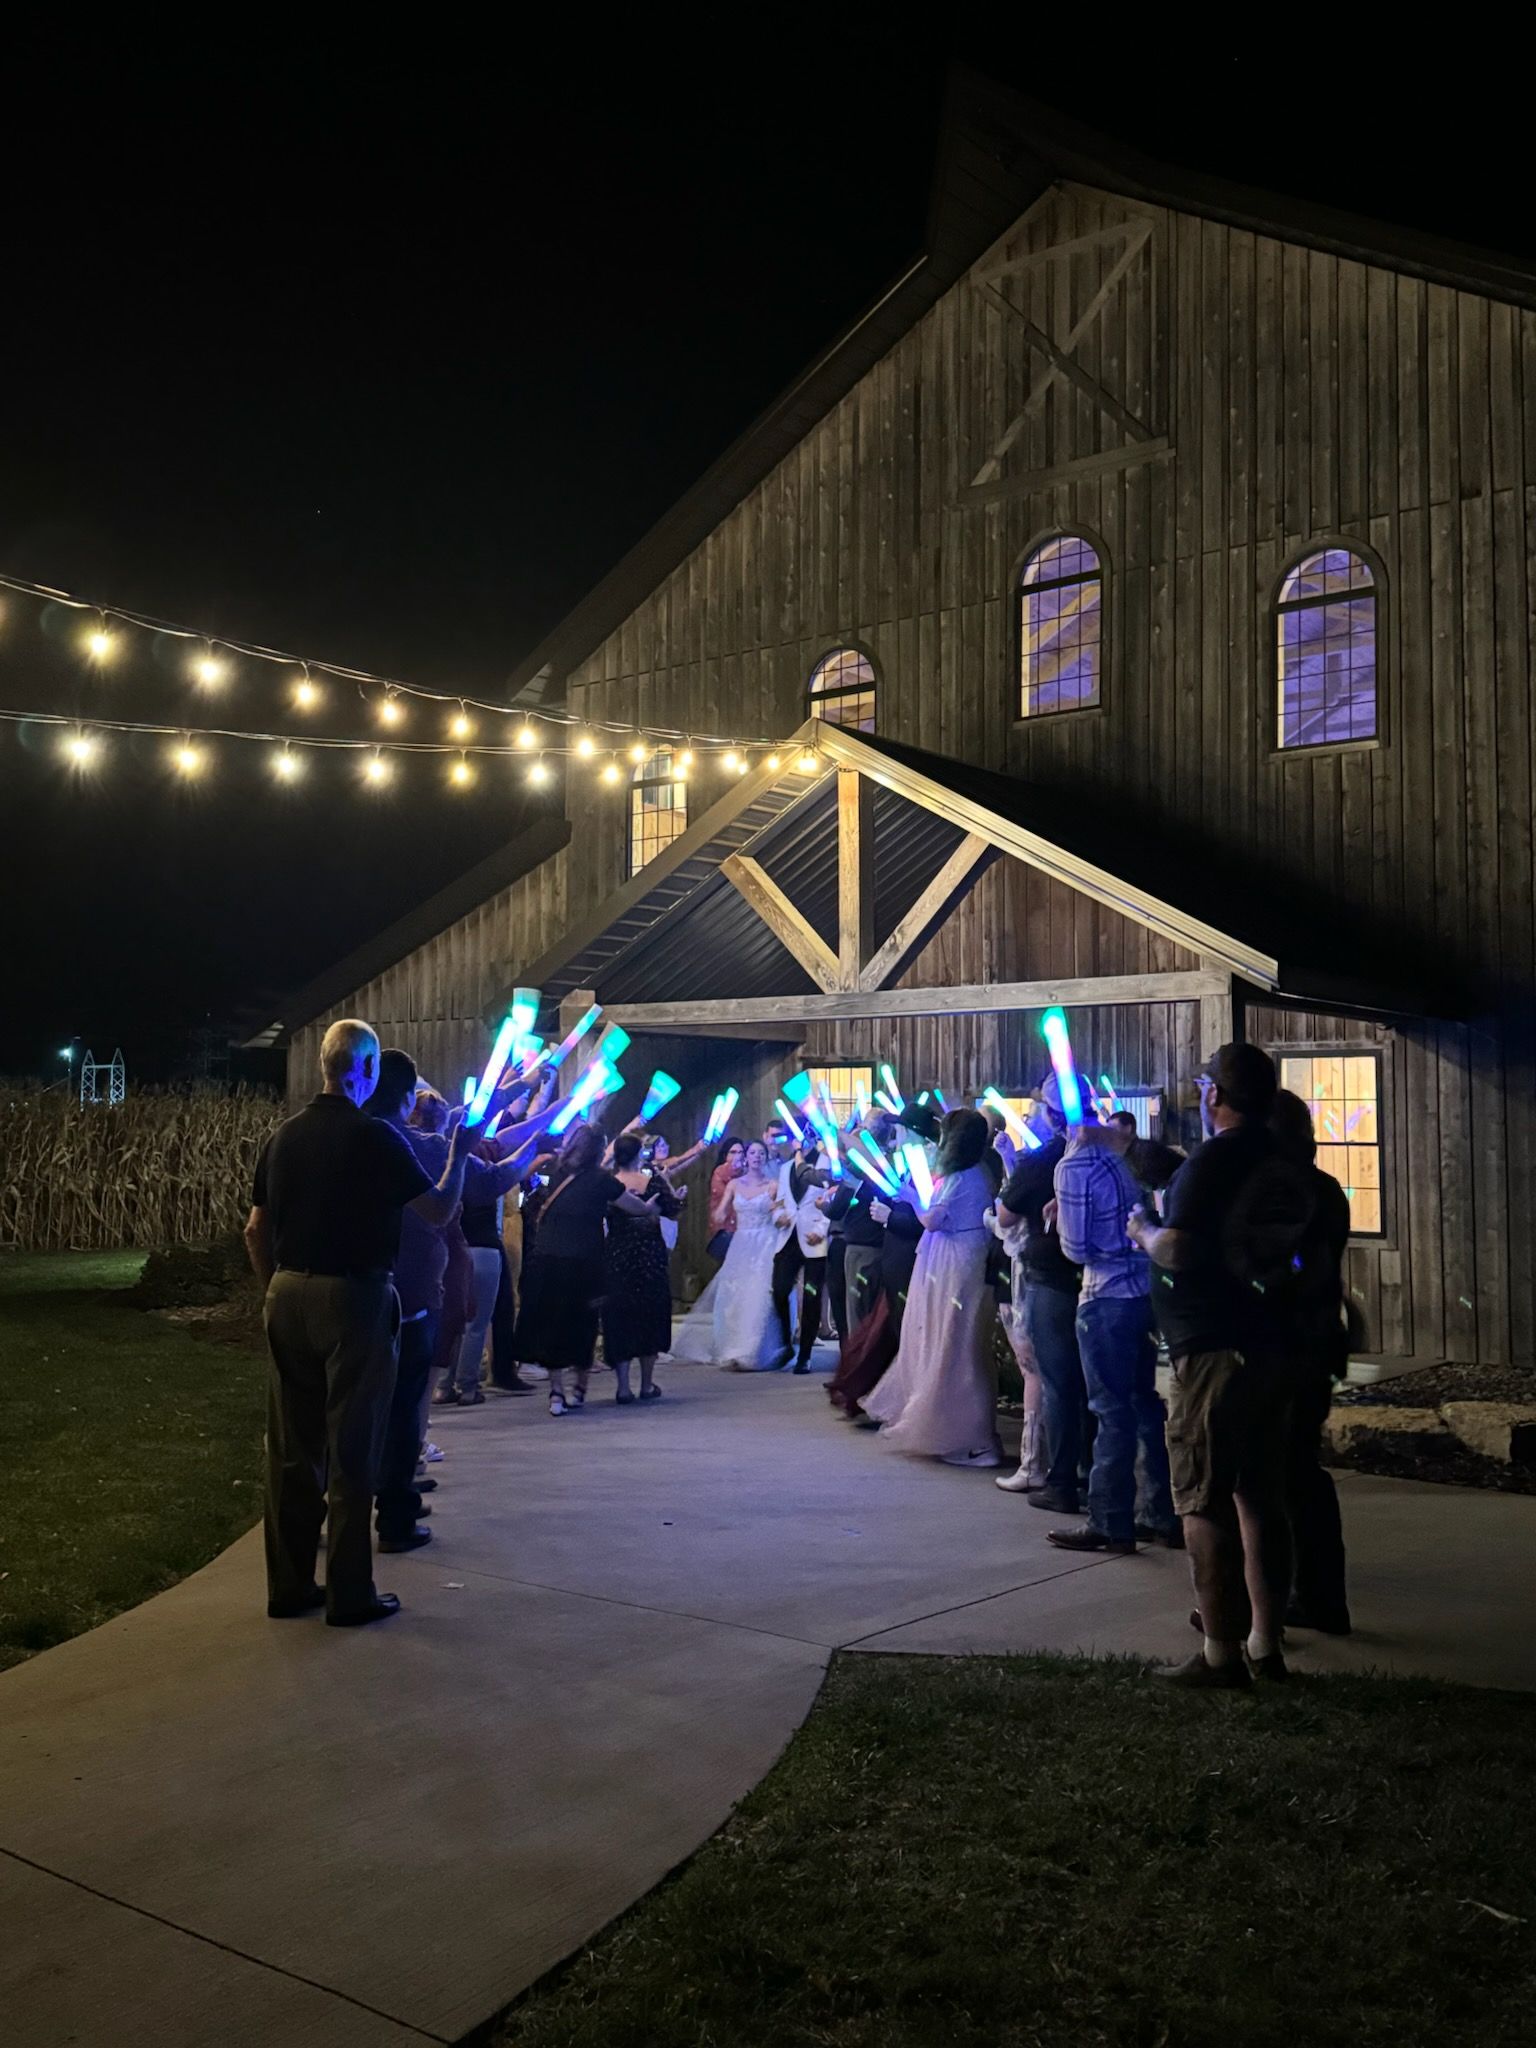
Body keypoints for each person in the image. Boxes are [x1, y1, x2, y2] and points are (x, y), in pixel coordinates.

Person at [243, 1018, 473, 1627]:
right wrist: (460, 1153)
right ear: (367, 1070)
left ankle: (289, 1586)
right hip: (356, 1297)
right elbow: (439, 1208)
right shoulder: (376, 1138)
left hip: (286, 1291)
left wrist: (275, 1288)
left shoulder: (283, 1137)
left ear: (324, 1064)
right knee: (353, 1447)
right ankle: (350, 1593)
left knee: (293, 1452)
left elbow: (254, 1228)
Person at [1129, 1042, 1296, 1687]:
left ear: (1214, 1096)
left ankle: (1220, 1655)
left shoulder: (1214, 1160)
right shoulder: (1280, 1160)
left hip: (1211, 1350)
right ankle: (1265, 1643)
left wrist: (1142, 1227)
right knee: (1260, 1496)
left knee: (1202, 1498)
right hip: (1270, 1344)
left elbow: (1178, 1248)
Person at [366, 1050, 533, 1549]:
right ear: (403, 1099)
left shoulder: (334, 1137)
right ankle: (395, 1514)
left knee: (350, 1406)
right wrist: (528, 1153)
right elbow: (462, 1196)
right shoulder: (418, 1147)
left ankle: (335, 1509)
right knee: (403, 1404)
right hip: (406, 1296)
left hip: (349, 1288)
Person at [1046, 1117, 1178, 1554]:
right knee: (1142, 1403)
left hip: (1105, 1296)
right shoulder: (1117, 1158)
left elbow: (1076, 1249)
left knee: (1110, 1409)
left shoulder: (1074, 1165)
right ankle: (1159, 1512)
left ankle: (1109, 1520)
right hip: (1142, 1291)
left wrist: (1064, 1216)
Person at [861, 1109, 1002, 1466]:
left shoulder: (963, 1176)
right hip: (952, 1256)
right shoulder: (976, 1172)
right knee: (949, 1339)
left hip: (956, 1260)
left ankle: (971, 1436)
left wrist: (909, 1196)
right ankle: (954, 1430)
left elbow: (933, 1220)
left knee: (953, 1342)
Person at [1269, 1089, 1353, 1635]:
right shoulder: (1323, 1188)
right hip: (1317, 1340)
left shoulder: (1293, 1193)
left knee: (1290, 1472)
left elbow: (1298, 1267)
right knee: (1297, 1470)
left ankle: (1313, 1597)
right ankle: (1315, 1594)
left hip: (1294, 1342)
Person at [513, 1122, 660, 1413]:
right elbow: (634, 1207)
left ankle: (556, 1394)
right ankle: (578, 1389)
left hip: (547, 1259)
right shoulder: (601, 1179)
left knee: (553, 1325)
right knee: (583, 1324)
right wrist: (650, 1207)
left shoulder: (556, 1172)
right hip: (585, 1261)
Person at [993, 1079, 1086, 1505]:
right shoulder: (1110, 1154)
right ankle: (1090, 1474)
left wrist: (1012, 1169)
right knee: (1092, 1382)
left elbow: (1007, 1216)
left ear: (1050, 1115)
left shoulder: (1047, 1160)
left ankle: (1059, 1477)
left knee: (1053, 1377)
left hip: (1049, 1276)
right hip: (1102, 1279)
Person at [602, 1132, 682, 1401]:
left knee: (620, 1316)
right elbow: (672, 1209)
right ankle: (647, 1384)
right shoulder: (653, 1182)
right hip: (649, 1255)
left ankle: (623, 1386)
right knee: (650, 1313)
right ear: (639, 1155)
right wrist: (676, 1195)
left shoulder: (609, 1184)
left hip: (617, 1254)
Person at [770, 1140, 833, 1372]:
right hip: (788, 1237)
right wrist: (778, 1215)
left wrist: (821, 1229)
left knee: (811, 1296)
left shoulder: (825, 1166)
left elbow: (832, 1201)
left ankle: (805, 1355)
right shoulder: (786, 1168)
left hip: (814, 1238)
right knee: (779, 1290)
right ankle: (786, 1343)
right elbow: (780, 1201)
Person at [705, 1138, 745, 1262]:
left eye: (740, 1152)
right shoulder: (720, 1172)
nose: (737, 1156)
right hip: (725, 1230)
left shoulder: (748, 1172)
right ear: (725, 1155)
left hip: (743, 1231)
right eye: (733, 1152)